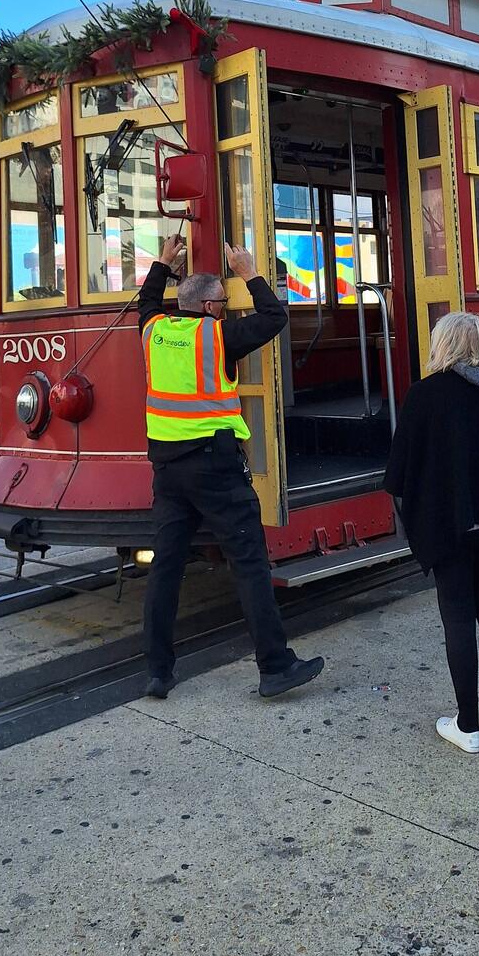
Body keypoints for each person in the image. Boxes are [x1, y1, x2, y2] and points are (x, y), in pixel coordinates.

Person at [139, 234, 324, 701]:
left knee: (166, 567)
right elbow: (274, 317)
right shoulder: (216, 337)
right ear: (207, 306)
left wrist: (162, 263)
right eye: (222, 301)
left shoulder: (153, 332)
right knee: (248, 563)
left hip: (167, 471)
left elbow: (146, 301)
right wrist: (249, 272)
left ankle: (159, 672)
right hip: (214, 468)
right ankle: (275, 666)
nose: (227, 307)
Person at [385, 312, 479, 755]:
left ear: (443, 346)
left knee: (457, 617)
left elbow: (398, 477)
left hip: (449, 529)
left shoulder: (424, 396)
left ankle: (467, 725)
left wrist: (415, 526)